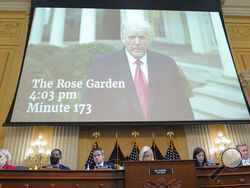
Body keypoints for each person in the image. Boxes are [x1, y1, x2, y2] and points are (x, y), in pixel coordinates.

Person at [80, 19, 194, 121]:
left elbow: (182, 104)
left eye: (142, 37)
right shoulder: (102, 64)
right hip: (118, 136)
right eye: (131, 37)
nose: (137, 42)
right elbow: (88, 105)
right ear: (123, 39)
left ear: (149, 39)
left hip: (162, 134)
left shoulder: (167, 63)